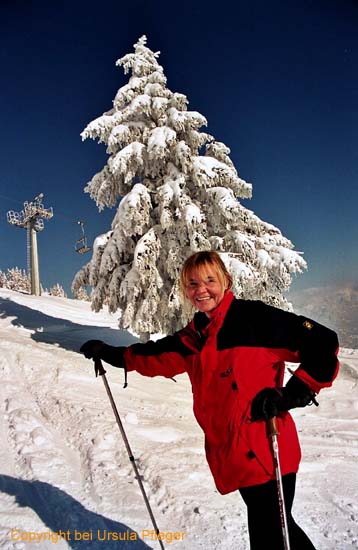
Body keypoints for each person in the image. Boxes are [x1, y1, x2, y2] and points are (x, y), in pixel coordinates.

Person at [80, 251, 339, 550]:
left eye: (209, 280)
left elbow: (322, 342)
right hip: (234, 455)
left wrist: (289, 395)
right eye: (192, 283)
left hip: (267, 448)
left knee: (274, 533)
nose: (200, 289)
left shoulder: (255, 319)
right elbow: (153, 357)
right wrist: (109, 353)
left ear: (225, 281)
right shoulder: (195, 338)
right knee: (274, 532)